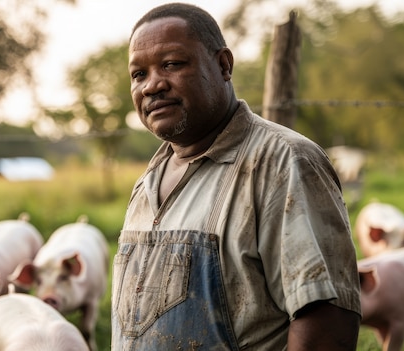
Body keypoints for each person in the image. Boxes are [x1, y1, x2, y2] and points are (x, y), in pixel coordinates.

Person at [111, 3, 361, 350]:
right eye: (139, 74)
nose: (152, 85)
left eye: (171, 64)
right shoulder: (148, 181)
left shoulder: (282, 162)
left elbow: (327, 319)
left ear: (223, 65)